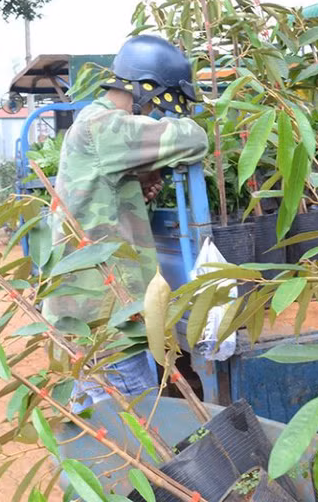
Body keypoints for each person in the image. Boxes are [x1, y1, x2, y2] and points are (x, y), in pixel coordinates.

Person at [45, 34, 209, 410]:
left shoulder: (92, 124)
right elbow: (194, 138)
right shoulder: (107, 126)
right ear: (146, 90)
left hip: (86, 311)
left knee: (94, 419)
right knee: (131, 424)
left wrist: (138, 181)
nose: (155, 114)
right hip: (107, 315)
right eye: (158, 105)